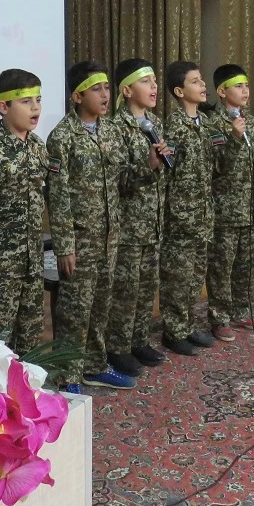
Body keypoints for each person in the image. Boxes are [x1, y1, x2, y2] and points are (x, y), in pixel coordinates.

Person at [45, 60, 152, 390]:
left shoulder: (111, 131)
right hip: (80, 239)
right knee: (74, 311)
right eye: (96, 89)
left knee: (101, 306)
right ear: (77, 97)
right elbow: (57, 196)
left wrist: (149, 165)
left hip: (109, 237)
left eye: (106, 88)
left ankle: (94, 365)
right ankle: (68, 374)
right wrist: (64, 246)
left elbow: (124, 183)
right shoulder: (62, 137)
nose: (105, 95)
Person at [0, 69, 48, 353]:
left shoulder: (38, 146)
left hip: (32, 262)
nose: (35, 108)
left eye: (38, 100)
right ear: (3, 107)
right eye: (26, 102)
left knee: (30, 341)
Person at [105, 58, 171, 376]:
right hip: (128, 225)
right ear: (127, 90)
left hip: (153, 222)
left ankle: (139, 340)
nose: (154, 86)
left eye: (155, 81)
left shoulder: (153, 123)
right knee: (126, 290)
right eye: (146, 81)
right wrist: (149, 165)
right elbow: (116, 181)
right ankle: (118, 347)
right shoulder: (115, 128)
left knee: (146, 287)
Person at [205, 64, 254, 341]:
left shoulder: (251, 121)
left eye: (246, 85)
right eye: (238, 86)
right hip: (225, 210)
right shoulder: (213, 124)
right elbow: (218, 167)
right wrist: (233, 137)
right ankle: (220, 317)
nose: (245, 91)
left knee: (246, 264)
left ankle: (241, 309)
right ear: (222, 92)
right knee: (222, 266)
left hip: (250, 208)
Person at [158, 60, 218, 356]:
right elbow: (166, 175)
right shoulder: (173, 126)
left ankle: (188, 325)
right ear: (179, 91)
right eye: (195, 81)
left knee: (195, 275)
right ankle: (173, 331)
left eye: (202, 80)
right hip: (180, 217)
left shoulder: (205, 123)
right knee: (177, 277)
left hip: (202, 214)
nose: (203, 85)